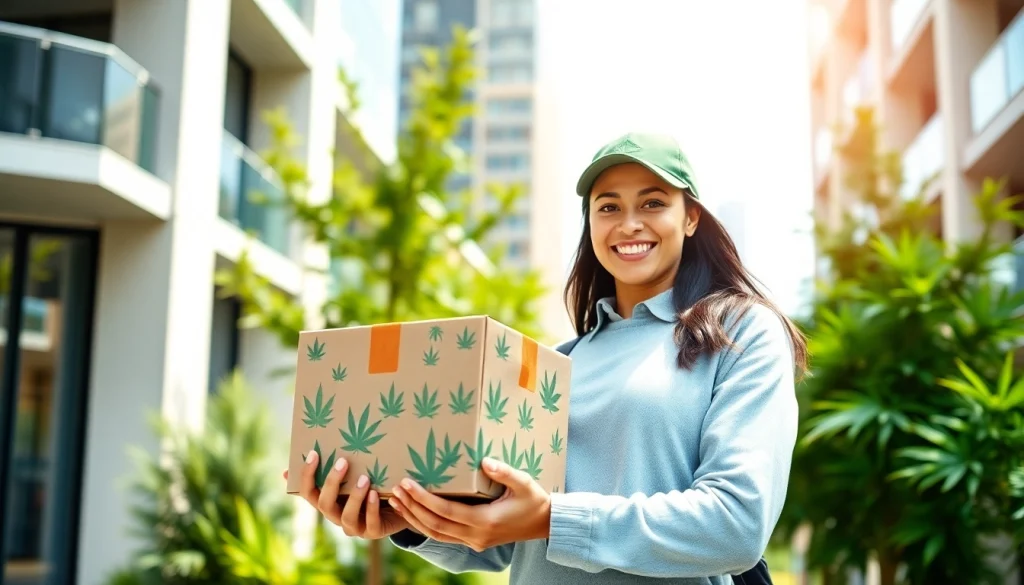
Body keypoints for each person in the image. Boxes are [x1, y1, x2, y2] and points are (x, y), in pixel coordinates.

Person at [290, 132, 809, 584]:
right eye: (608, 206)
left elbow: (736, 524)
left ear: (691, 217)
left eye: (652, 203)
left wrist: (551, 519)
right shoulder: (558, 363)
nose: (629, 223)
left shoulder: (740, 333)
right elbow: (504, 541)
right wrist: (406, 520)